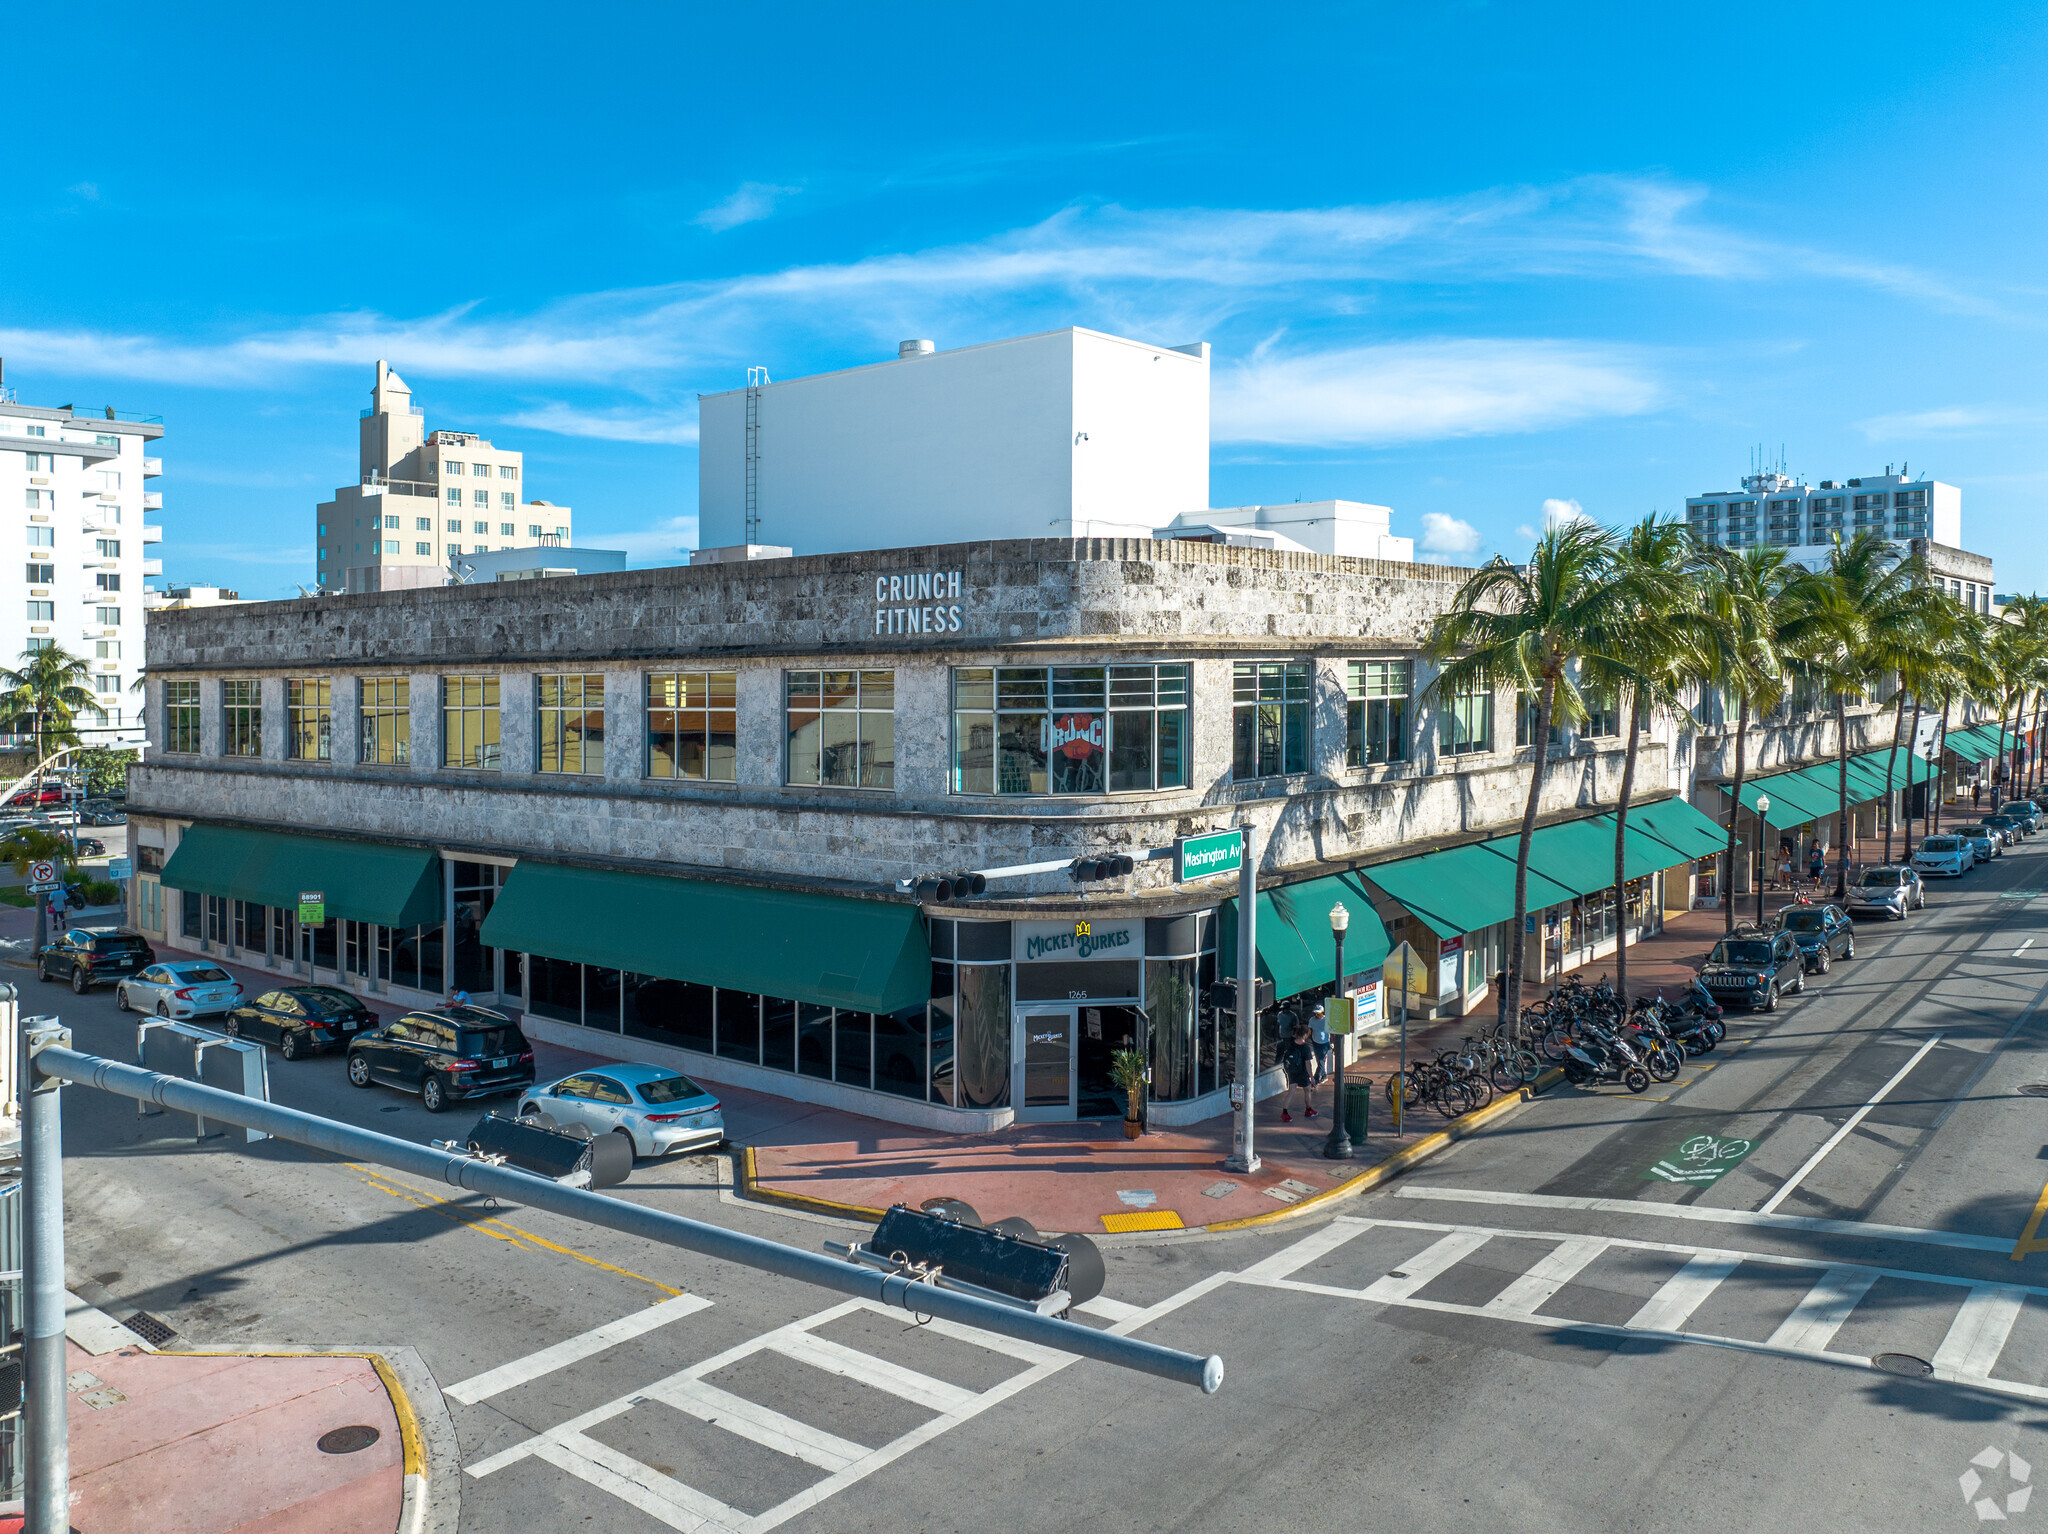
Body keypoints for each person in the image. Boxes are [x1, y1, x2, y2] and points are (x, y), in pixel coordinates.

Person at [1277, 1021, 1317, 1123]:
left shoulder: (1291, 1044)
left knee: (1291, 1091)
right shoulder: (1305, 1048)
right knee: (1307, 1090)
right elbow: (1307, 1064)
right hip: (1302, 1072)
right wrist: (1311, 1077)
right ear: (1305, 1034)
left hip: (1291, 1071)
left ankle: (1285, 1112)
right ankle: (1308, 1110)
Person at [1307, 1002, 1333, 1085]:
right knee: (1319, 1061)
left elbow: (1331, 1032)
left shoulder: (1326, 1020)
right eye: (1315, 1013)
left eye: (1318, 1014)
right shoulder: (1312, 1020)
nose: (1316, 1015)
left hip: (1324, 1044)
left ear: (1322, 1013)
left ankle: (1316, 1079)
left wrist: (1332, 1042)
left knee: (1321, 1062)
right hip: (1315, 1043)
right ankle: (1324, 1075)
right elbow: (1310, 1031)